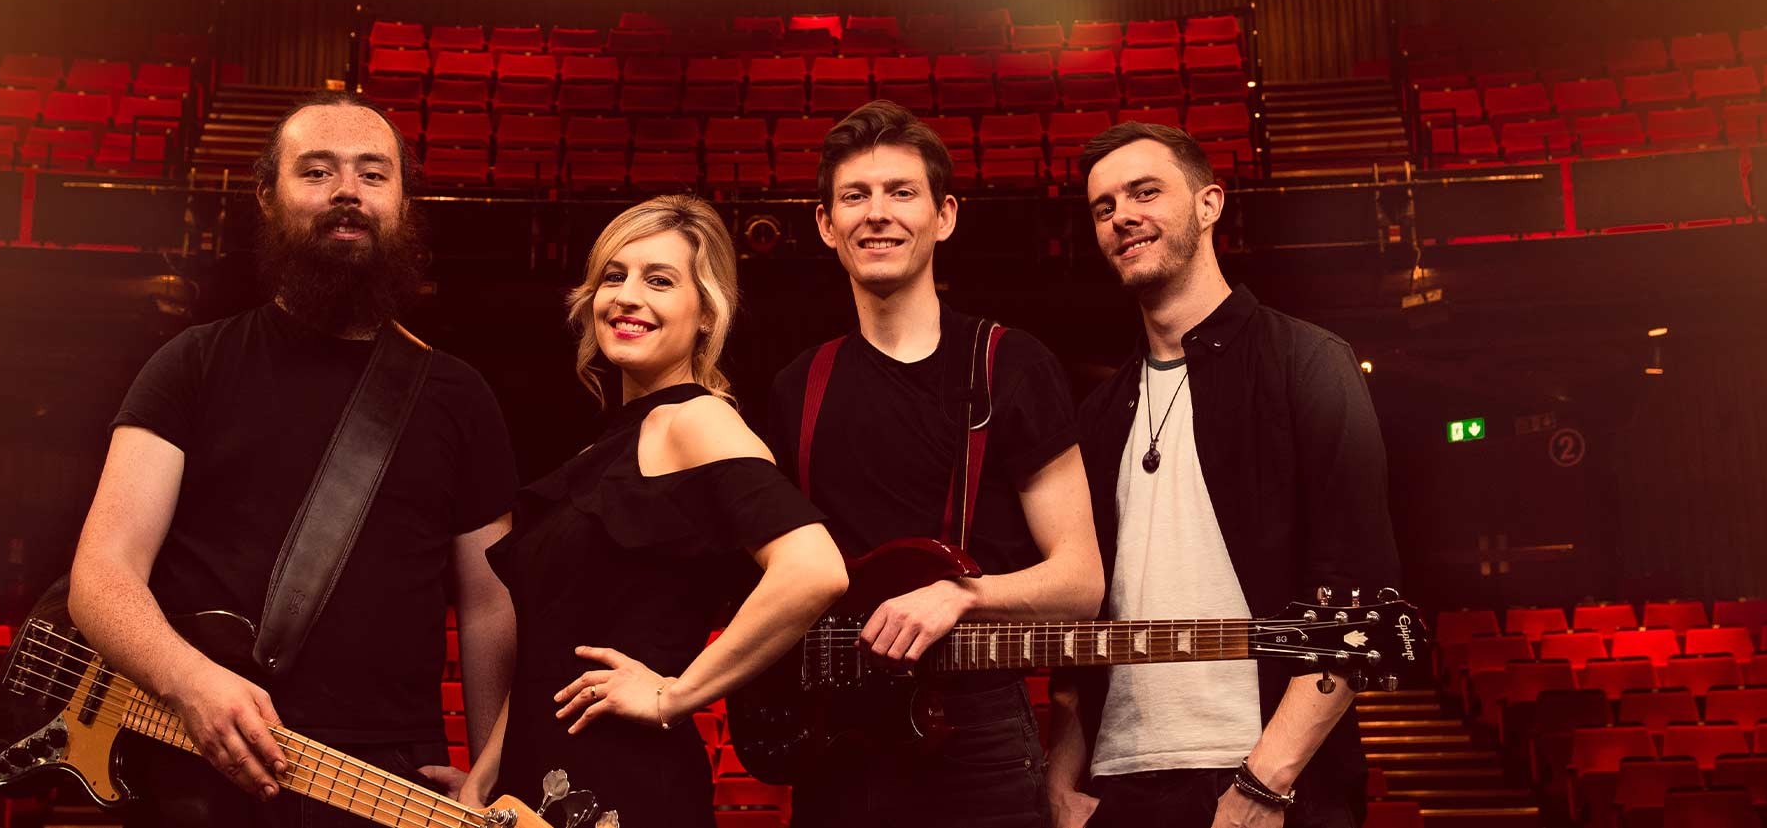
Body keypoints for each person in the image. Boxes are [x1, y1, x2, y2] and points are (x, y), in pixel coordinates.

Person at [68, 94, 519, 826]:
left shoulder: (459, 395)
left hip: (385, 782)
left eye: (373, 174)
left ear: (403, 203)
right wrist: (189, 681)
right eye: (317, 171)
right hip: (199, 761)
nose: (348, 191)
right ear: (267, 196)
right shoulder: (191, 363)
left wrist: (496, 771)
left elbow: (489, 604)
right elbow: (102, 574)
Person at [1046, 122, 1401, 828]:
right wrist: (1061, 779)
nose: (1122, 216)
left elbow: (1357, 599)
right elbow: (1082, 620)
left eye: (1145, 192)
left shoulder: (1308, 363)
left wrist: (1263, 785)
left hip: (1268, 784)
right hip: (1117, 787)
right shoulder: (1098, 412)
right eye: (1103, 206)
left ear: (1209, 204)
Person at [761, 100, 1105, 828]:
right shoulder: (797, 386)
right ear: (825, 224)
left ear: (944, 215)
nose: (876, 214)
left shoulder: (1011, 364)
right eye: (854, 196)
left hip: (977, 736)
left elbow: (1081, 581)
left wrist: (961, 594)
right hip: (840, 739)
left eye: (901, 192)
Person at [477, 195, 848, 827]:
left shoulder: (696, 420)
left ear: (707, 314)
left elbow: (814, 570)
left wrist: (672, 697)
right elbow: (550, 650)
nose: (627, 296)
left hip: (628, 787)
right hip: (531, 787)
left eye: (659, 280)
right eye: (613, 276)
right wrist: (485, 775)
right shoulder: (605, 445)